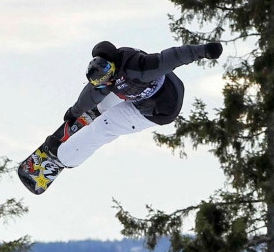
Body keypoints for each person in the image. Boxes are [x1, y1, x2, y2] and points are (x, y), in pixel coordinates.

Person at [22, 40, 223, 185]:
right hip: (139, 93)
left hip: (158, 109)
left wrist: (205, 50)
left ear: (114, 68)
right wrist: (75, 112)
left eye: (106, 79)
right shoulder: (106, 78)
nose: (104, 83)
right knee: (102, 99)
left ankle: (63, 157)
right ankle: (99, 111)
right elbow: (91, 93)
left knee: (105, 126)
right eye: (100, 81)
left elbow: (173, 56)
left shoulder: (142, 68)